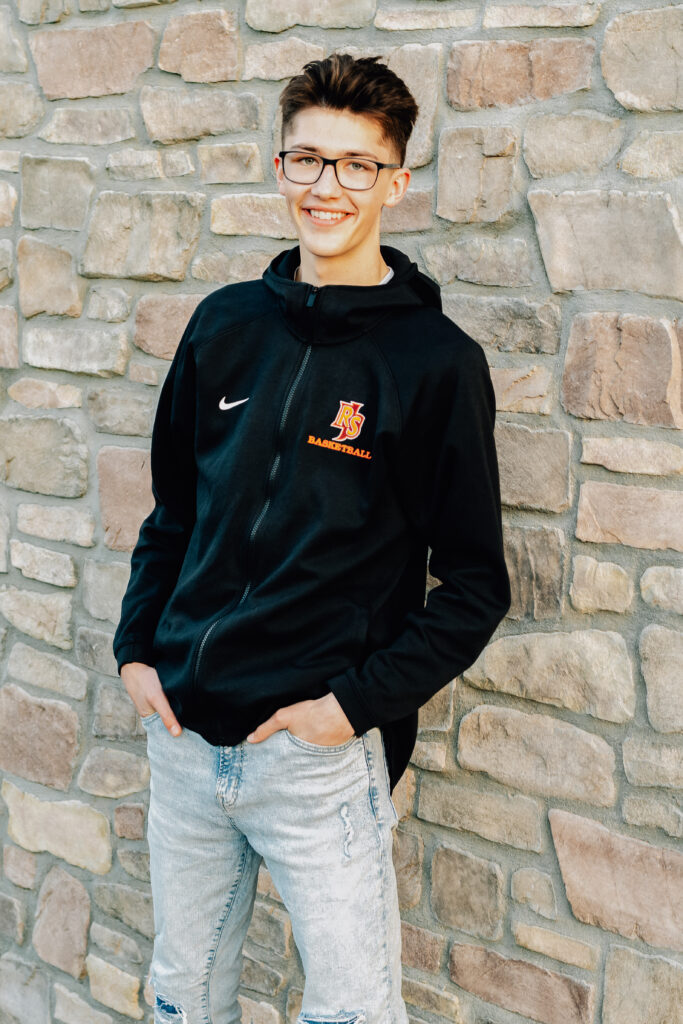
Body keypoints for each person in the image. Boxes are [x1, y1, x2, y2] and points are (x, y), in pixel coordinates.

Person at [114, 52, 511, 1024]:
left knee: (351, 1013)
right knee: (181, 998)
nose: (326, 186)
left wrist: (347, 708)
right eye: (306, 159)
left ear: (394, 183)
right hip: (184, 739)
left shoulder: (434, 364)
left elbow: (474, 586)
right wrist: (136, 650)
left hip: (315, 761)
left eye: (355, 164)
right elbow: (174, 513)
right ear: (279, 166)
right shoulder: (222, 326)